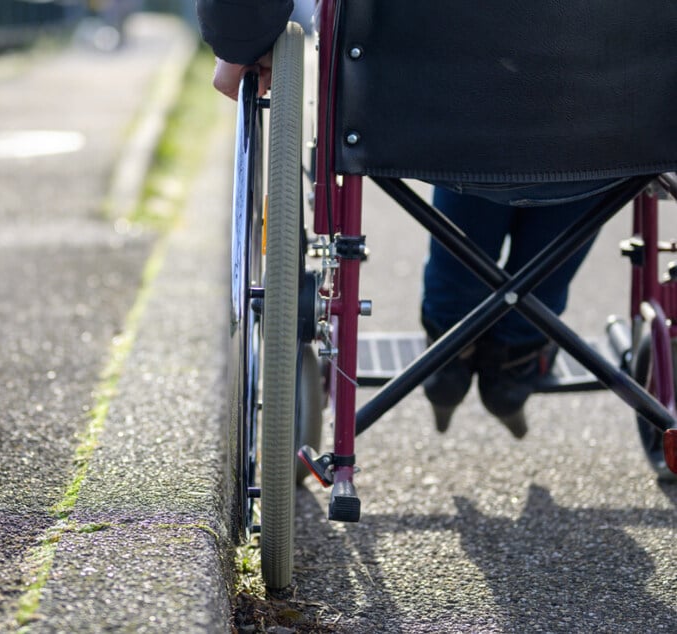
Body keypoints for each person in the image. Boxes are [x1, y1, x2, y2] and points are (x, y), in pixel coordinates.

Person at [196, 0, 625, 438]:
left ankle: (450, 339)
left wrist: (241, 41)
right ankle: (518, 353)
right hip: (616, 97)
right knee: (597, 124)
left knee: (474, 109)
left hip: (423, 89)